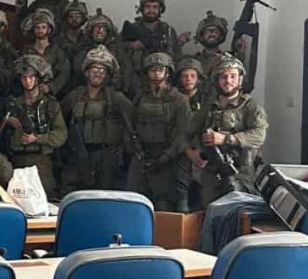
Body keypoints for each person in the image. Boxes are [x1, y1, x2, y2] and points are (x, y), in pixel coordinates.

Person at [188, 54, 268, 208]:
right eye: (223, 77)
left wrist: (227, 139)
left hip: (241, 173)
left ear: (240, 79)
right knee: (211, 212)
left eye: (233, 76)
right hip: (211, 174)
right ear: (217, 80)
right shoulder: (208, 107)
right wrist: (192, 152)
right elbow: (187, 132)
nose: (228, 81)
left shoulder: (250, 106)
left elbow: (259, 135)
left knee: (239, 214)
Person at [60, 46, 134, 193]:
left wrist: (122, 147)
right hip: (78, 155)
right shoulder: (75, 96)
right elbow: (59, 119)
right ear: (87, 72)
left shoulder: (116, 98)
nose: (98, 73)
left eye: (102, 70)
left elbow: (132, 121)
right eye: (94, 69)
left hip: (107, 157)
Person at [127, 52, 191, 212]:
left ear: (167, 72)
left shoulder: (179, 99)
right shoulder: (140, 97)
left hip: (167, 157)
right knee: (132, 199)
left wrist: (166, 157)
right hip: (141, 154)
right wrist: (136, 149)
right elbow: (131, 125)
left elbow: (183, 133)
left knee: (164, 203)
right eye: (152, 70)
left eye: (160, 69)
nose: (156, 74)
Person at [3, 55, 67, 199]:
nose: (27, 81)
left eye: (31, 77)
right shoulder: (13, 104)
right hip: (17, 160)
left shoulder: (50, 105)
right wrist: (7, 121)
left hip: (41, 160)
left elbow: (61, 135)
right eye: (24, 78)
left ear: (37, 79)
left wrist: (37, 138)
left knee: (45, 199)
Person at [122, 0, 183, 79]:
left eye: (155, 7)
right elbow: (118, 49)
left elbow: (176, 57)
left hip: (162, 78)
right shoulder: (132, 29)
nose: (151, 10)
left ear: (160, 9)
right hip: (137, 78)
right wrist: (130, 45)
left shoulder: (168, 31)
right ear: (141, 9)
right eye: (147, 7)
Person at [71, 9, 136, 97]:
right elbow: (77, 73)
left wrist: (123, 90)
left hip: (113, 91)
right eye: (96, 28)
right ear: (91, 32)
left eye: (103, 29)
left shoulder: (118, 51)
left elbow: (126, 71)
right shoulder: (83, 50)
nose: (99, 31)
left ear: (108, 32)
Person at [175, 57, 205, 212]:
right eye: (184, 76)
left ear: (198, 78)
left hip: (202, 156)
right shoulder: (174, 100)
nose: (188, 79)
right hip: (178, 154)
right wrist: (186, 151)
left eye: (192, 76)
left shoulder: (208, 101)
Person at [20, 8, 71, 97]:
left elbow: (64, 74)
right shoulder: (27, 51)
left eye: (44, 27)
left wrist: (51, 87)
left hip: (51, 95)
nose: (40, 30)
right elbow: (20, 71)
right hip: (29, 93)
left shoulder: (57, 51)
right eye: (37, 27)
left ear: (49, 29)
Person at [193, 11, 230, 78]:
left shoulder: (228, 60)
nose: (212, 33)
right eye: (208, 31)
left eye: (216, 31)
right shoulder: (194, 61)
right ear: (201, 37)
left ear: (221, 36)